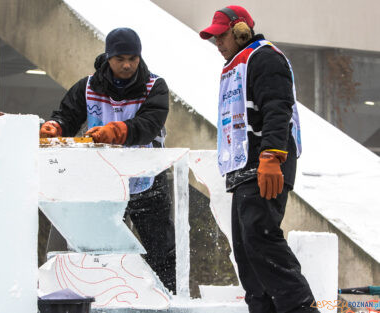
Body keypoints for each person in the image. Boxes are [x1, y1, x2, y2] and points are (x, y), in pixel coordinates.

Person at [200, 6, 318, 313]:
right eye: (214, 38)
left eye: (222, 35)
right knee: (247, 252)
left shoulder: (265, 57)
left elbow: (278, 107)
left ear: (241, 31)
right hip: (244, 168)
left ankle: (301, 309)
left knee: (262, 241)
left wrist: (271, 156)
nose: (218, 43)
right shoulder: (236, 65)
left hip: (265, 165)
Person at [40, 27, 176, 293]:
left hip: (147, 180)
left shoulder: (154, 86)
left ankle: (167, 298)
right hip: (103, 182)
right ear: (108, 57)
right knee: (102, 249)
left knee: (161, 250)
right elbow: (67, 115)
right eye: (120, 59)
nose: (127, 65)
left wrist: (116, 131)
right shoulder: (87, 86)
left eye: (133, 59)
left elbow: (150, 123)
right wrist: (55, 127)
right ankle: (105, 296)